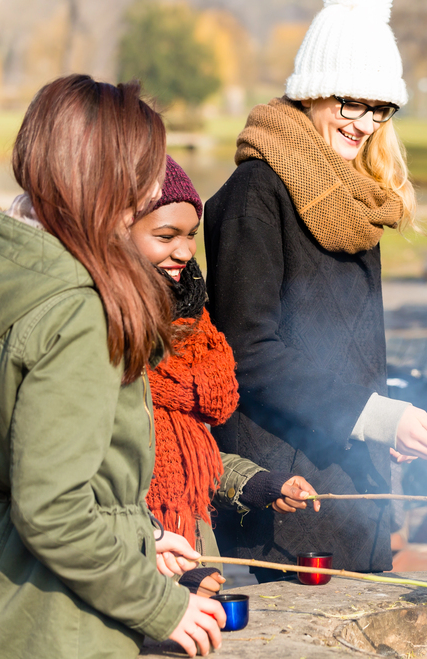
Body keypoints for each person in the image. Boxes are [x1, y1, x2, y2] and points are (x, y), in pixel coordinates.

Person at [0, 75, 225, 659]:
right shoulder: (78, 310)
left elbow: (34, 467)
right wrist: (160, 605)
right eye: (144, 175)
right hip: (52, 623)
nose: (153, 188)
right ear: (105, 182)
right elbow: (54, 510)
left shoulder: (15, 279)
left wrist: (141, 535)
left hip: (2, 591)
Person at [203, 0, 427, 579]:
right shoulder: (255, 195)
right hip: (286, 492)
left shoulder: (350, 198)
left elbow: (347, 346)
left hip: (355, 474)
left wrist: (378, 425)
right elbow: (248, 352)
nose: (364, 123)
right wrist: (372, 415)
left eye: (380, 108)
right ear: (312, 90)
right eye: (350, 102)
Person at [130, 156, 323, 598]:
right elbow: (98, 498)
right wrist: (171, 575)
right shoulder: (107, 346)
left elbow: (192, 456)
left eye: (190, 235)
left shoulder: (190, 326)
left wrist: (257, 483)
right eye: (165, 236)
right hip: (141, 581)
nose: (184, 251)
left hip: (192, 561)